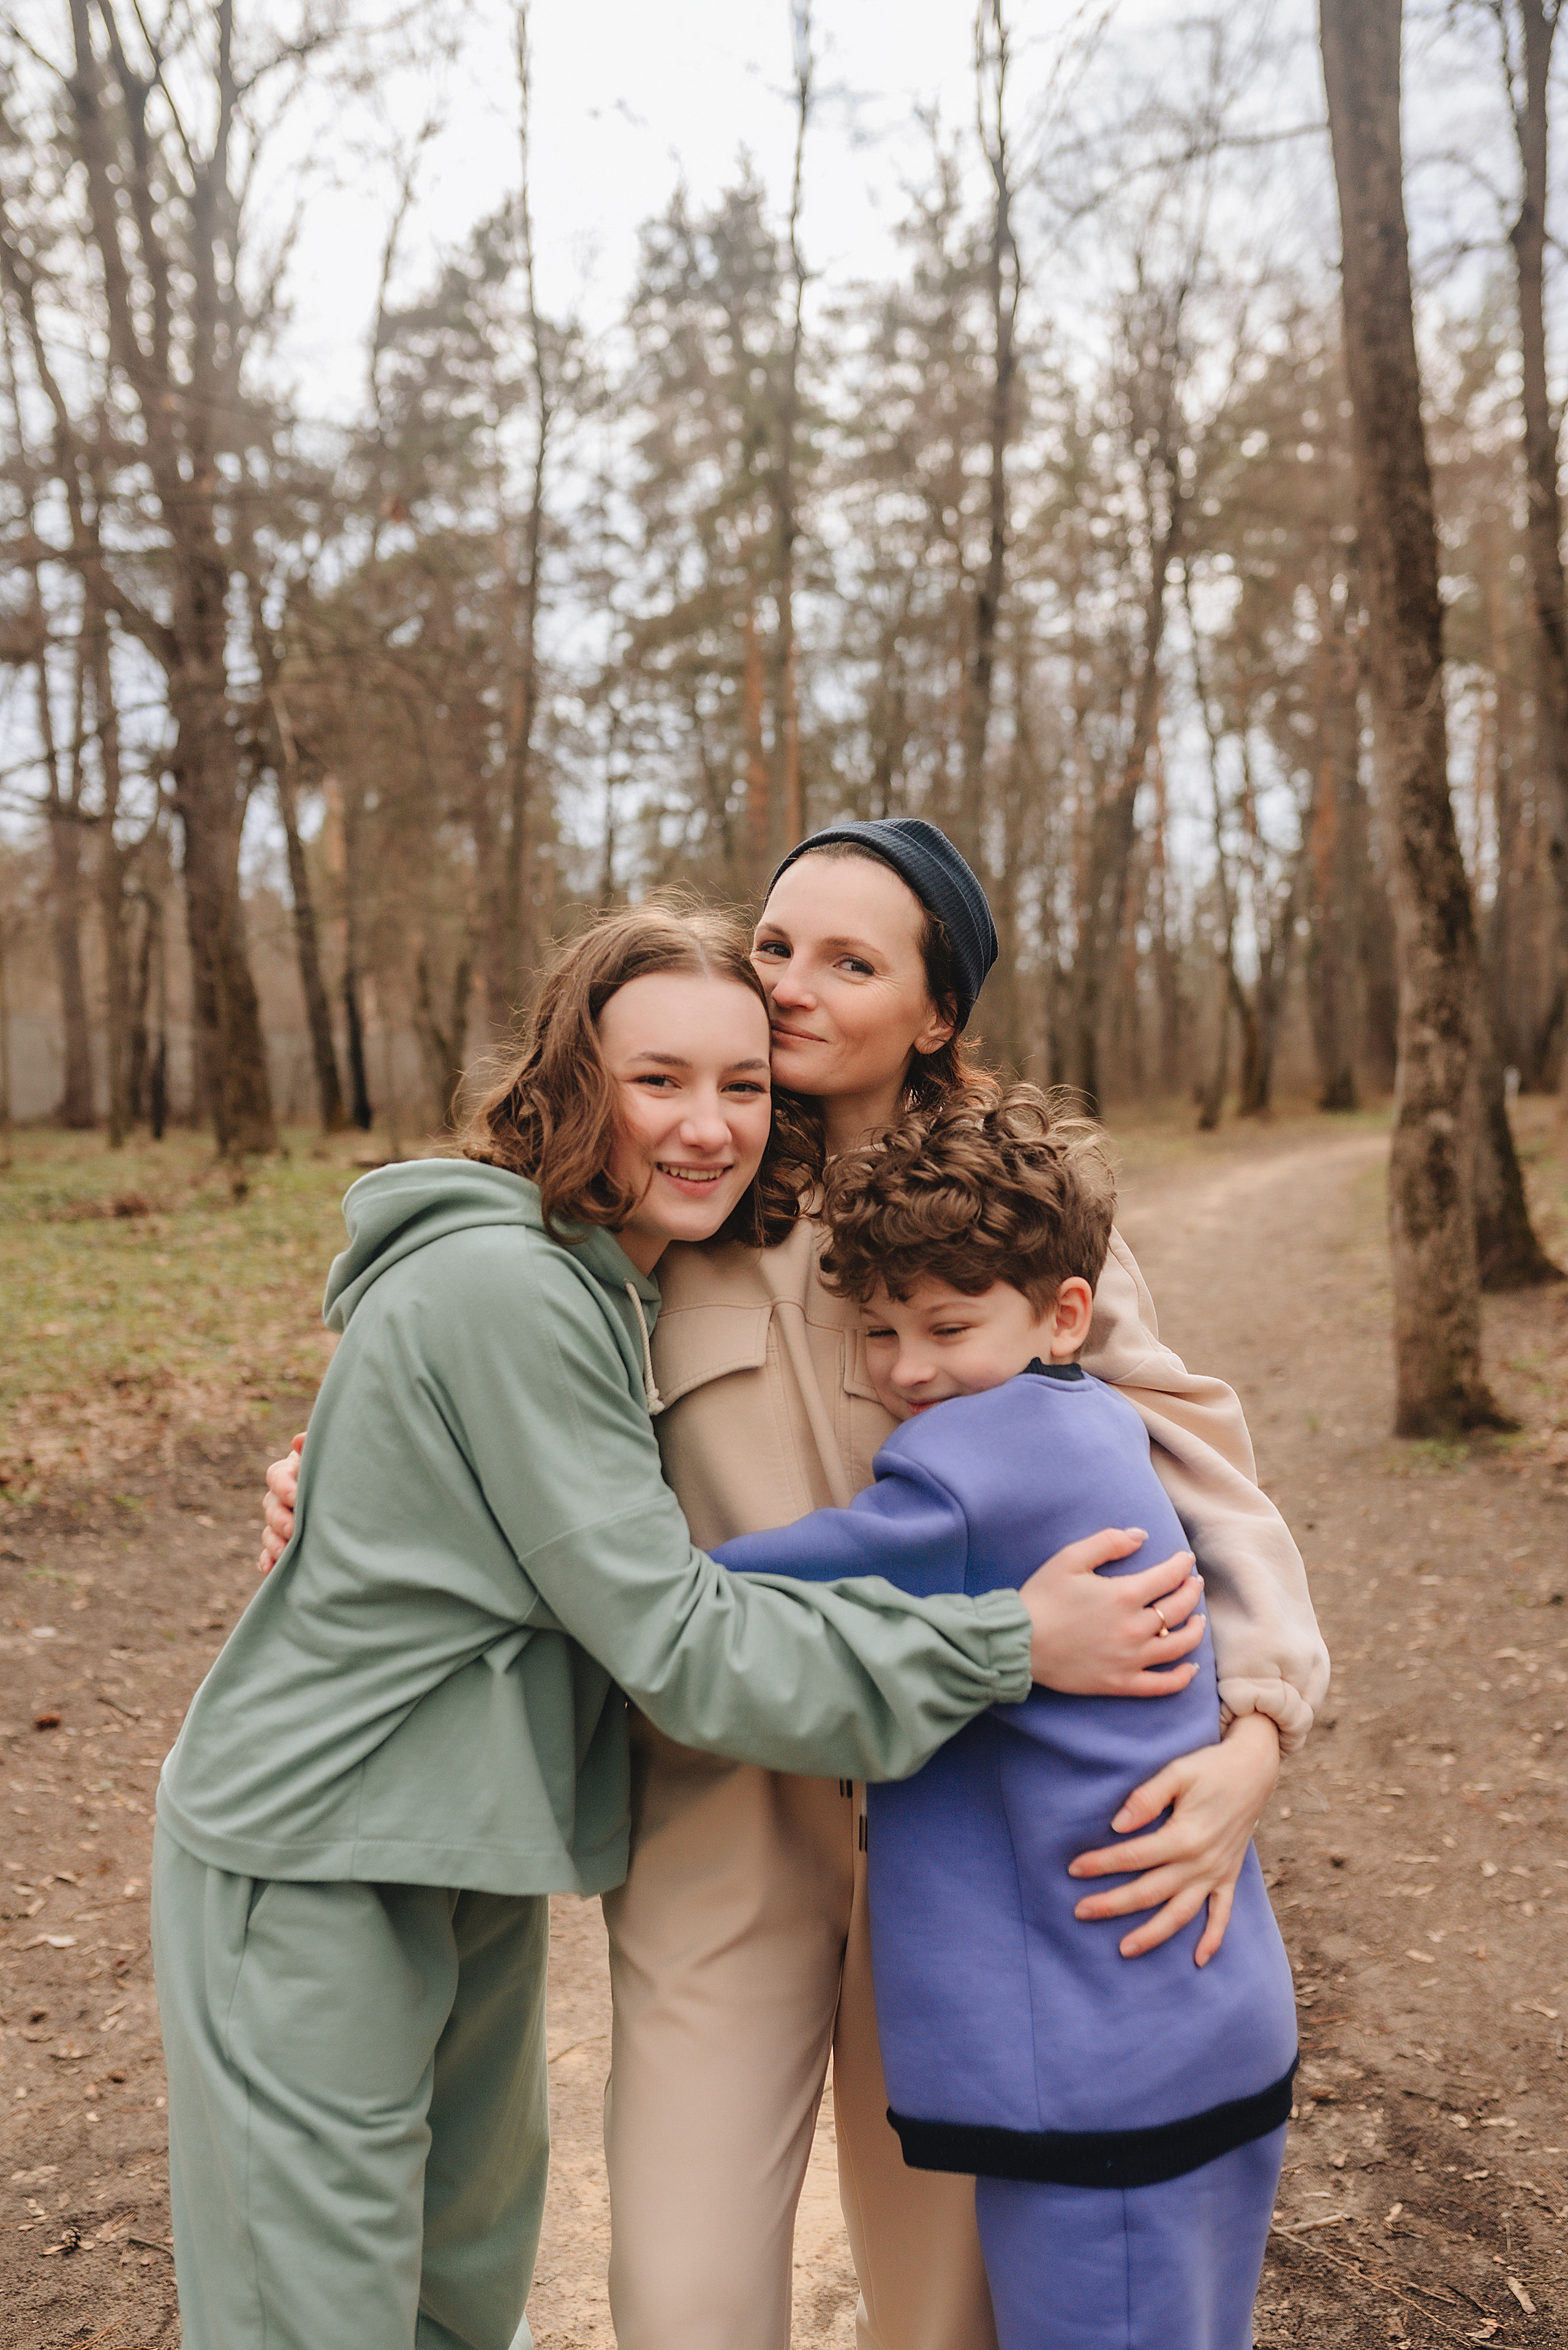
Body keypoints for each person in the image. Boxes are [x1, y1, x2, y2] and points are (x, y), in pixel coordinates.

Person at [260, 821, 1329, 2350]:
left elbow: (1204, 1486)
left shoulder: (1011, 1227)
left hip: (971, 1838)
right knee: (683, 2301)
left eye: (849, 960)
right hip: (717, 1808)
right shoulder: (651, 1204)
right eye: (773, 947)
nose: (789, 989)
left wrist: (1256, 1735)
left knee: (945, 2309)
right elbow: (478, 1383)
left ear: (935, 1010)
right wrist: (344, 1481)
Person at [713, 1082, 1299, 2350]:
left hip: (1105, 2067)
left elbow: (746, 1596)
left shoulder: (974, 1461)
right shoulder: (1089, 1428)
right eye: (874, 1331)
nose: (907, 1366)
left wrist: (564, 1554)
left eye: (945, 1323)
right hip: (1188, 2019)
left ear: (1062, 1315)